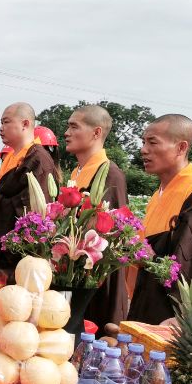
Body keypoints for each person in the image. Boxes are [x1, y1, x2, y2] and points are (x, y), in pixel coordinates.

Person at [128, 114, 192, 324]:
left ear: (181, 147)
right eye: (144, 142)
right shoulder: (158, 194)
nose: (144, 150)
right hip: (146, 300)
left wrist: (147, 257)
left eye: (153, 142)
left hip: (172, 318)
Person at [0, 103, 55, 300]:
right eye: (1, 123)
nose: (0, 128)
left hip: (15, 258)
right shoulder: (15, 157)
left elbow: (28, 212)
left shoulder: (37, 158)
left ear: (25, 124)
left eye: (6, 122)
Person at [64, 105, 129, 334]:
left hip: (95, 277)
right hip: (71, 272)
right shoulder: (76, 172)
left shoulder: (110, 173)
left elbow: (111, 235)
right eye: (68, 126)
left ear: (97, 132)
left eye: (74, 127)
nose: (67, 133)